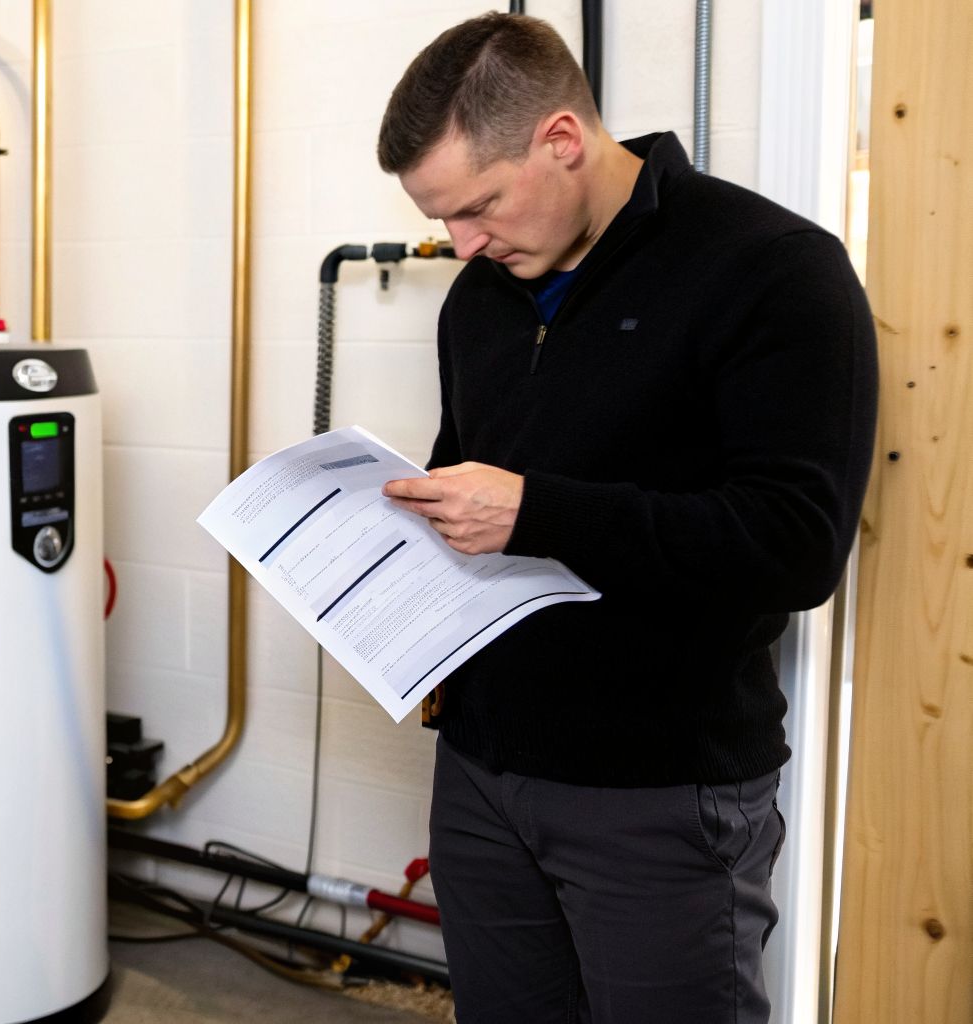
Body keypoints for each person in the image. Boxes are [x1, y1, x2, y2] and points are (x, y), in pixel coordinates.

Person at [372, 13, 876, 1023]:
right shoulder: (479, 296)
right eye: (443, 217)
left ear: (560, 140)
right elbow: (459, 484)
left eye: (475, 206)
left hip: (659, 791)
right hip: (480, 770)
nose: (459, 244)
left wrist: (538, 511)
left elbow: (792, 545)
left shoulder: (770, 269)